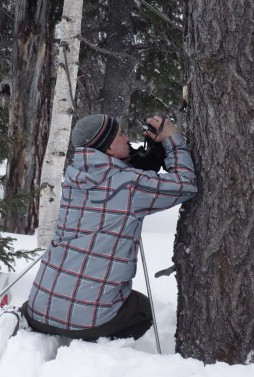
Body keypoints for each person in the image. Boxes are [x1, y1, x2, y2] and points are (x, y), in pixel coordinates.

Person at [0, 114, 197, 347]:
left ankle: (22, 319)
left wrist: (139, 162)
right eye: (120, 135)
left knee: (57, 299)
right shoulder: (131, 184)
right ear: (108, 149)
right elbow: (185, 184)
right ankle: (93, 346)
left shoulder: (74, 178)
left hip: (39, 312)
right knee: (142, 311)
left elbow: (111, 183)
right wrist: (172, 140)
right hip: (90, 320)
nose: (126, 138)